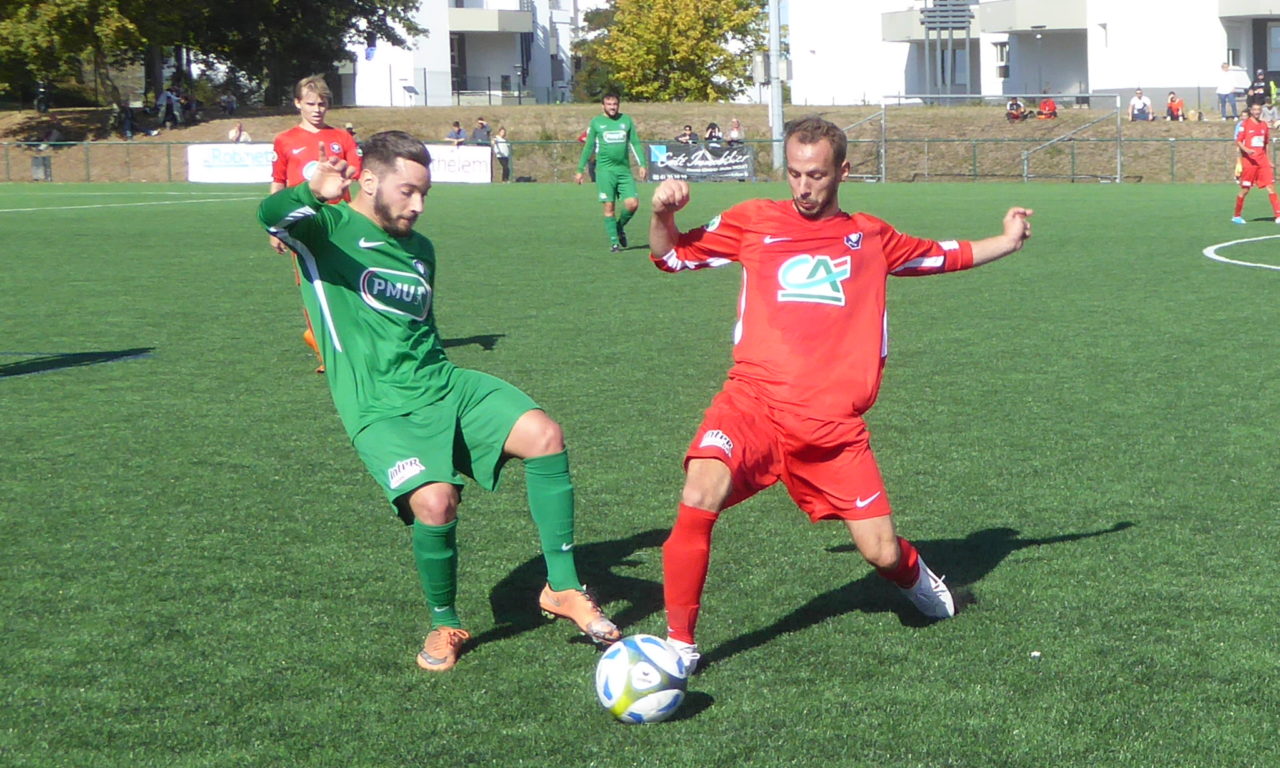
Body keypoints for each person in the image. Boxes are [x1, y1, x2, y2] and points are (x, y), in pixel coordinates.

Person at [646, 116, 1033, 673]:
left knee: (880, 551)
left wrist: (1008, 240)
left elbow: (942, 254)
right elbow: (670, 255)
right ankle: (679, 645)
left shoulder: (872, 237)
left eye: (817, 175)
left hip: (830, 428)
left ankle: (920, 582)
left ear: (843, 171)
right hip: (751, 402)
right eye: (796, 174)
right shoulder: (753, 220)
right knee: (699, 489)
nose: (803, 187)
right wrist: (663, 215)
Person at [257, 130, 621, 672]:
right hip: (377, 405)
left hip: (440, 381)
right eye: (408, 192)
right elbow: (271, 217)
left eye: (425, 193)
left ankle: (562, 589)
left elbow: (419, 329)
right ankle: (444, 619)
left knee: (544, 434)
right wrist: (311, 190)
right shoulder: (327, 230)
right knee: (435, 503)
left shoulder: (421, 249)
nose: (419, 205)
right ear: (371, 180)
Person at [269, 74, 363, 374]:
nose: (317, 109)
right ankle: (324, 348)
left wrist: (342, 172)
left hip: (339, 221)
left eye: (322, 104)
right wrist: (275, 226)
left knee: (349, 281)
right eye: (310, 103)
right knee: (312, 284)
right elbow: (278, 182)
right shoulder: (285, 140)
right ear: (298, 103)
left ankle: (353, 339)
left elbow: (357, 173)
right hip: (302, 224)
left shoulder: (342, 138)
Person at [576, 93, 648, 253]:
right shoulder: (596, 122)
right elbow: (588, 147)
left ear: (618, 105)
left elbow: (635, 143)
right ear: (603, 106)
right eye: (609, 104)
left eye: (615, 104)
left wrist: (642, 164)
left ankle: (618, 226)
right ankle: (614, 242)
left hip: (624, 171)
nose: (612, 107)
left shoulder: (626, 120)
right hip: (605, 172)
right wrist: (580, 169)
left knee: (632, 204)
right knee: (609, 207)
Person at [1231, 102, 1280, 225]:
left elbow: (1265, 144)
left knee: (1271, 187)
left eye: (1259, 110)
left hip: (1262, 162)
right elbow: (1238, 141)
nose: (1257, 112)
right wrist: (1246, 150)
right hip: (1249, 162)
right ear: (1251, 111)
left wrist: (1268, 160)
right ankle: (1236, 216)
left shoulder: (1264, 125)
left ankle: (1278, 215)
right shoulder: (1245, 124)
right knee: (1245, 189)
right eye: (1255, 110)